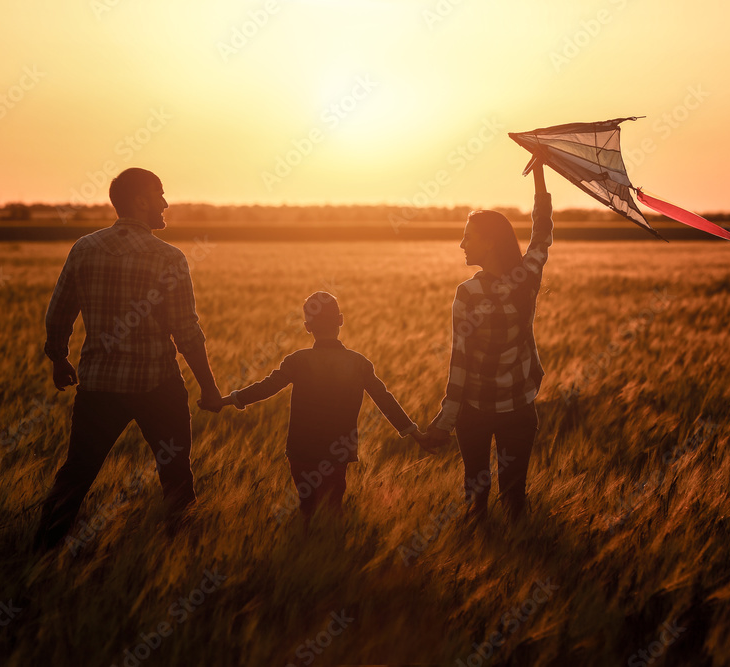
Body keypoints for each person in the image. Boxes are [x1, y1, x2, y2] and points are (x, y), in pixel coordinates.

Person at [34, 167, 224, 552]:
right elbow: (185, 330)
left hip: (99, 386)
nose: (166, 203)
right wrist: (209, 387)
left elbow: (59, 312)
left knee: (77, 471)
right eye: (160, 194)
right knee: (175, 474)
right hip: (158, 386)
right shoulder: (168, 257)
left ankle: (42, 549)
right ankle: (182, 551)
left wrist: (59, 357)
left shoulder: (84, 248)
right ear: (140, 201)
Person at [221, 292, 434, 522]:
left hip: (300, 449)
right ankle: (331, 545)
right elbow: (385, 399)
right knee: (332, 507)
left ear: (307, 326)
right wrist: (414, 433)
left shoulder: (297, 361)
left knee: (307, 506)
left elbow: (266, 388)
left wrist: (228, 400)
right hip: (337, 451)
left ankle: (305, 546)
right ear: (340, 320)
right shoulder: (359, 363)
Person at [426, 163, 554, 522]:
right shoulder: (526, 277)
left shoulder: (468, 293)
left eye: (469, 236)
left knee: (475, 502)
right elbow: (542, 234)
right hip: (519, 409)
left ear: (491, 241)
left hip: (476, 413)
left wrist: (444, 422)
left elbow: (460, 364)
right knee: (515, 500)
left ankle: (482, 549)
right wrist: (541, 175)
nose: (462, 244)